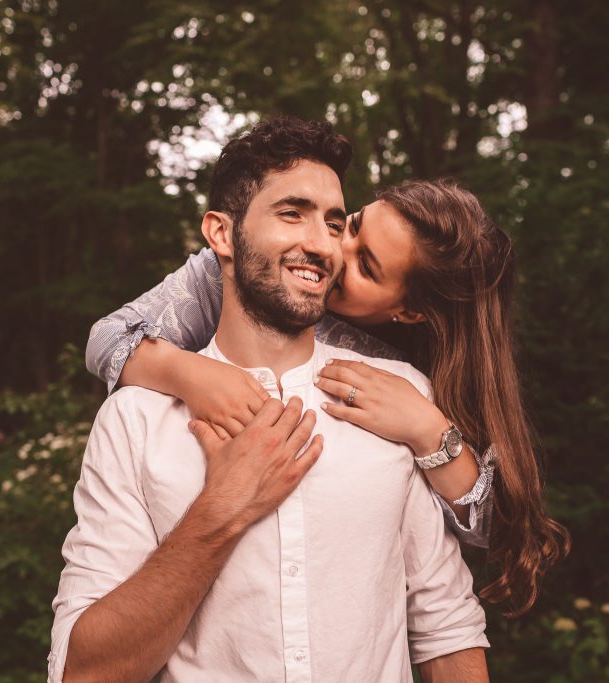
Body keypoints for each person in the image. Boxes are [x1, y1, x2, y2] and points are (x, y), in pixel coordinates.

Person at [50, 117, 489, 682]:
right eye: (292, 213)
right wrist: (222, 506)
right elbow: (83, 675)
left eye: (334, 222)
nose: (327, 244)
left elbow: (445, 623)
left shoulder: (399, 396)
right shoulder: (136, 417)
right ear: (221, 235)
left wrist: (432, 433)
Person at [87, 157, 569, 620]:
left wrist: (427, 430)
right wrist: (189, 373)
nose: (336, 252)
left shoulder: (415, 370)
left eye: (367, 268)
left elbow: (493, 525)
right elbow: (107, 338)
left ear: (409, 312)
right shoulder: (230, 273)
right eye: (354, 226)